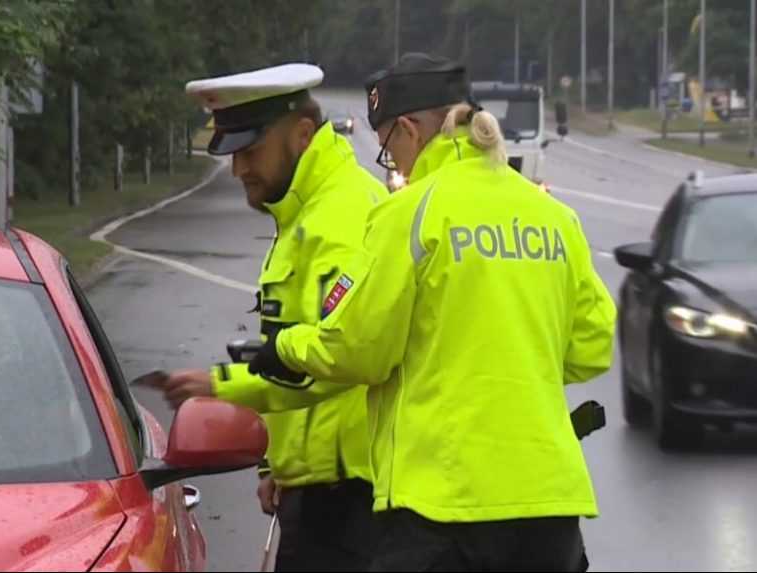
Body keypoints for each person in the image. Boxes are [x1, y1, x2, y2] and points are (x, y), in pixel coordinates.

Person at [249, 53, 617, 572]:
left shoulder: (410, 213)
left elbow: (358, 350)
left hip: (444, 507)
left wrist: (286, 346)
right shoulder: (553, 217)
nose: (393, 166)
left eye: (387, 151)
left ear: (407, 130)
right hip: (550, 512)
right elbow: (593, 345)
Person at [150, 63, 388, 572]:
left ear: (302, 135)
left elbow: (332, 361)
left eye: (250, 151)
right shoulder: (305, 211)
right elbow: (293, 348)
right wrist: (276, 462)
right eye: (234, 154)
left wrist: (219, 386)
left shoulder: (342, 218)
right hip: (319, 492)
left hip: (352, 506)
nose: (239, 170)